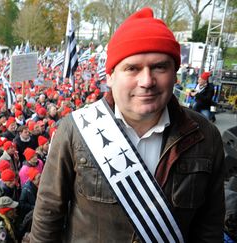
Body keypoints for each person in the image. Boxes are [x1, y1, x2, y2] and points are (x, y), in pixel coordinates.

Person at [31, 7, 225, 242]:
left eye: (159, 67)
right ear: (110, 76)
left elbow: (209, 228)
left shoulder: (206, 136)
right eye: (132, 68)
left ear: (176, 73)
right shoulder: (75, 130)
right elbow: (47, 218)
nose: (147, 81)